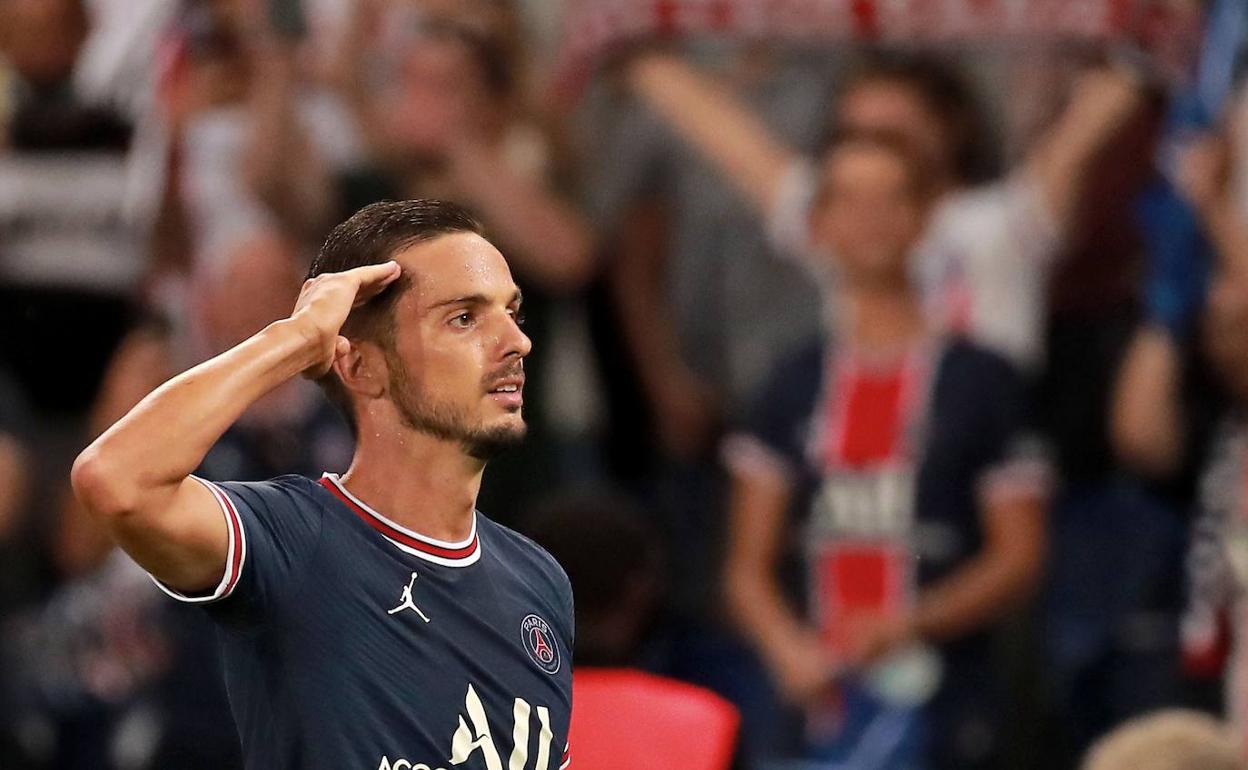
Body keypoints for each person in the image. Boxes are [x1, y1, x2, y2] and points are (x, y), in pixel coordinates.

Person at [70, 199, 574, 770]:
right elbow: (114, 480)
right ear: (361, 367)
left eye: (514, 313)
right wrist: (296, 337)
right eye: (464, 318)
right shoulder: (296, 538)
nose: (516, 342)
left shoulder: (540, 581)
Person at [721, 133, 1049, 769]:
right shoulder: (790, 383)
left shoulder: (983, 380)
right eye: (850, 199)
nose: (871, 218)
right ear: (817, 224)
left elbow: (1020, 554)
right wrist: (787, 648)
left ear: (925, 216)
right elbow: (746, 566)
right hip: (816, 710)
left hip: (952, 707)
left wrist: (915, 623)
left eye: (892, 198)